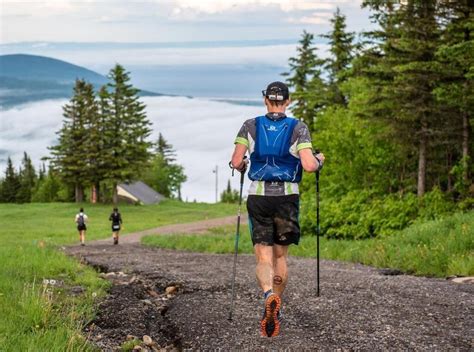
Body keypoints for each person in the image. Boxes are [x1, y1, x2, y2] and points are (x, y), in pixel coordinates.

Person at [231, 81, 325, 337]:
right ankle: (276, 308)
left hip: (259, 197)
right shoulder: (298, 128)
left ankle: (268, 295)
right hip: (286, 198)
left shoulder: (250, 125)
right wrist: (319, 161)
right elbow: (308, 165)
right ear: (288, 101)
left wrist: (241, 166)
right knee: (280, 257)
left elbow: (237, 161)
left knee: (263, 257)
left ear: (265, 100)